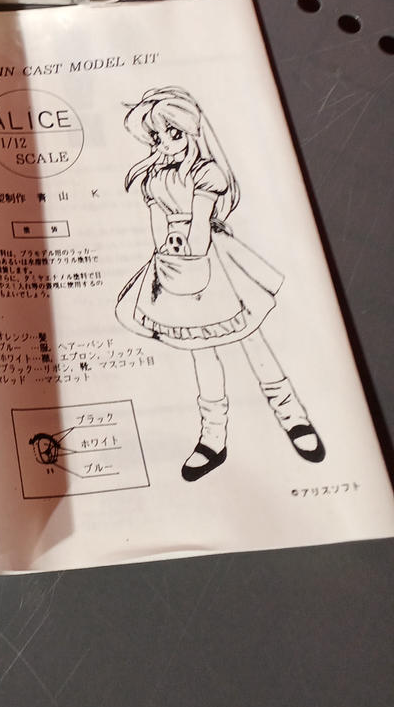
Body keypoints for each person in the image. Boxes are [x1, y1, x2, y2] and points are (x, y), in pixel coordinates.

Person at [115, 87, 325, 481]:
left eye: (174, 133)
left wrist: (188, 252)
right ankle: (213, 438)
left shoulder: (205, 172)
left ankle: (293, 417)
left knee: (250, 337)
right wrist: (166, 257)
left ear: (192, 132)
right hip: (173, 262)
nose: (166, 143)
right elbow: (157, 224)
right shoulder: (153, 178)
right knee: (201, 349)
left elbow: (200, 223)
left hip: (212, 258)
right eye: (157, 136)